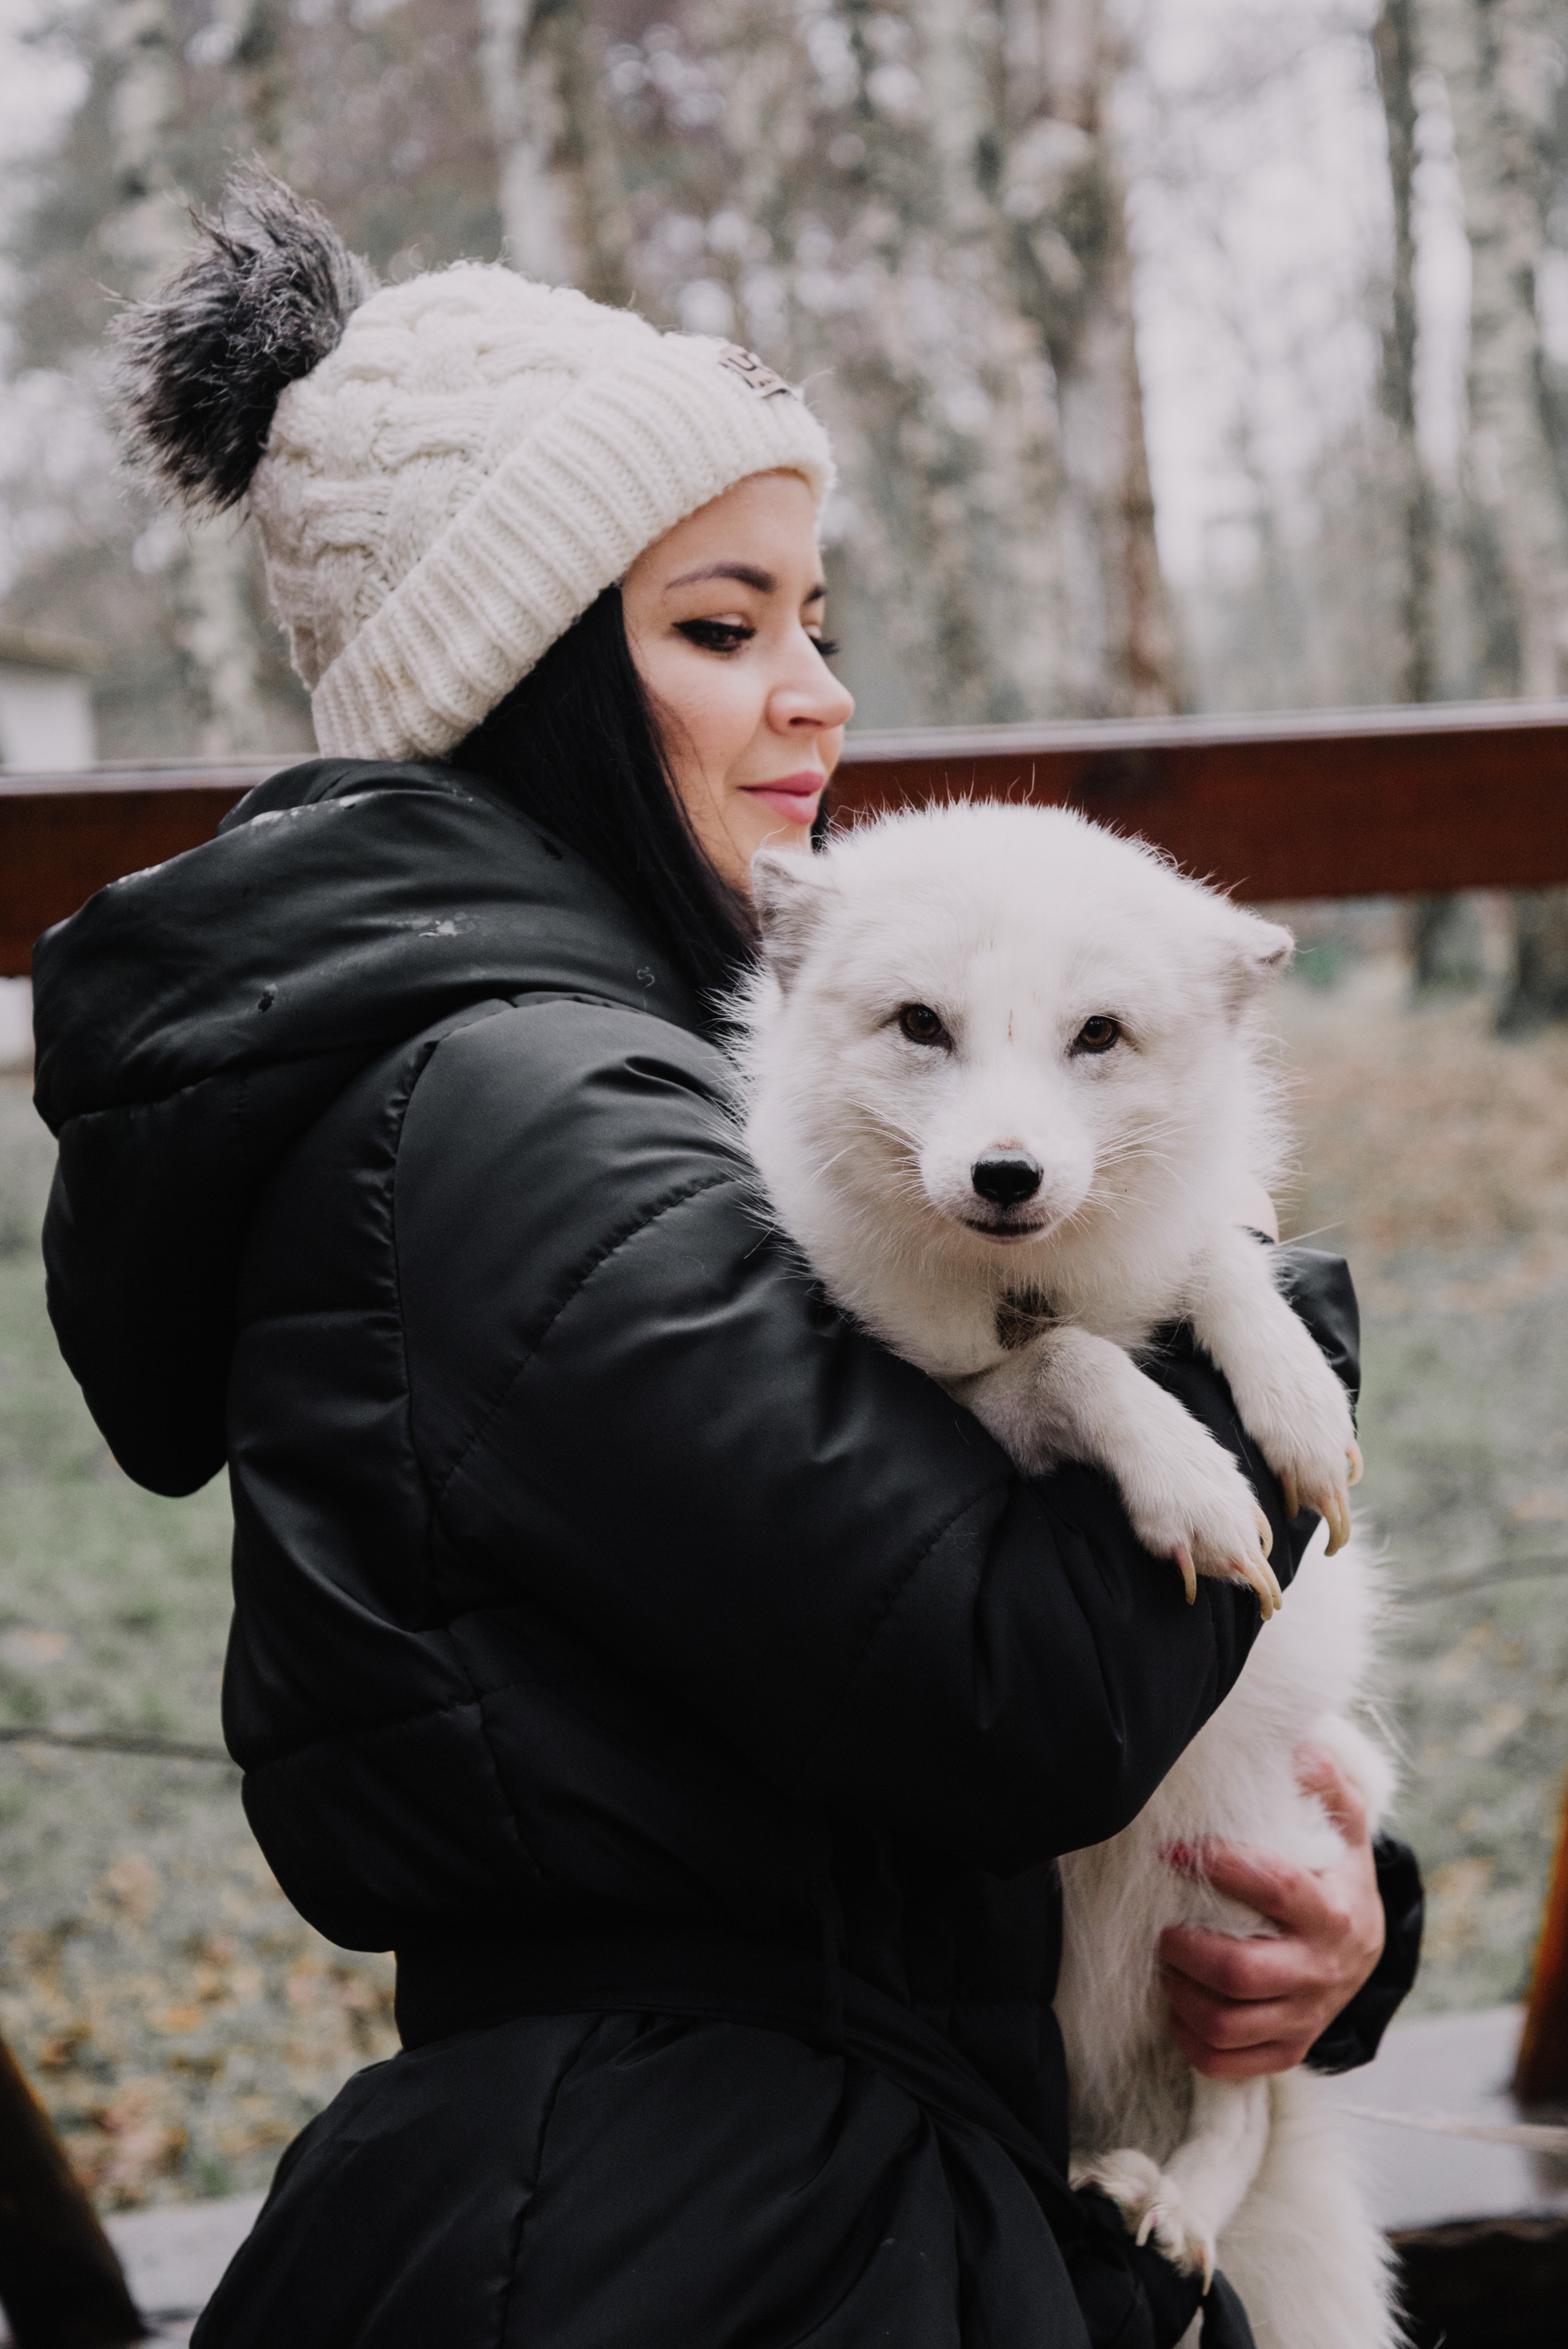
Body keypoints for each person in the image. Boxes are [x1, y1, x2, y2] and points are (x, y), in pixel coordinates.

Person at [32, 173, 1420, 2349]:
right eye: (720, 625)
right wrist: (1249, 1268)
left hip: (822, 2146)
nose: (817, 699)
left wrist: (1329, 1917)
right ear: (528, 677)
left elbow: (961, 1713)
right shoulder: (516, 1116)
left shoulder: (627, 1058)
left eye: (818, 621)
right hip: (731, 2226)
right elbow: (1004, 1681)